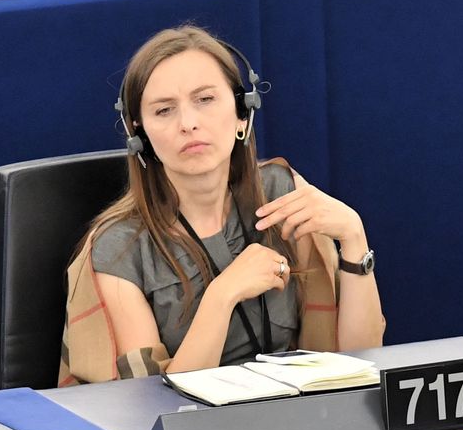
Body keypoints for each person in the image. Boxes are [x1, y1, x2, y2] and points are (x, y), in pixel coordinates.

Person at [58, 26, 385, 386]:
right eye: (164, 110)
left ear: (243, 112)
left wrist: (354, 237)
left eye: (205, 99)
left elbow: (362, 358)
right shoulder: (118, 250)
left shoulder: (282, 195)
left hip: (301, 411)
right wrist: (221, 296)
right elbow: (147, 402)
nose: (188, 124)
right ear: (139, 134)